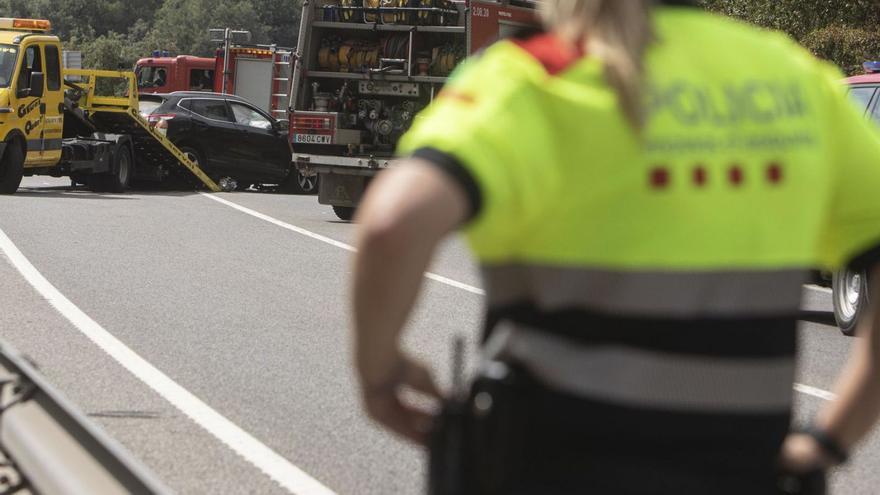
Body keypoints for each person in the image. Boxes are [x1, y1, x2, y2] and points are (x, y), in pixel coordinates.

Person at [351, 0, 880, 493]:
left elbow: (391, 223)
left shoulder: (531, 76)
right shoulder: (792, 81)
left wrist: (381, 373)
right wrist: (829, 440)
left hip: (545, 469)